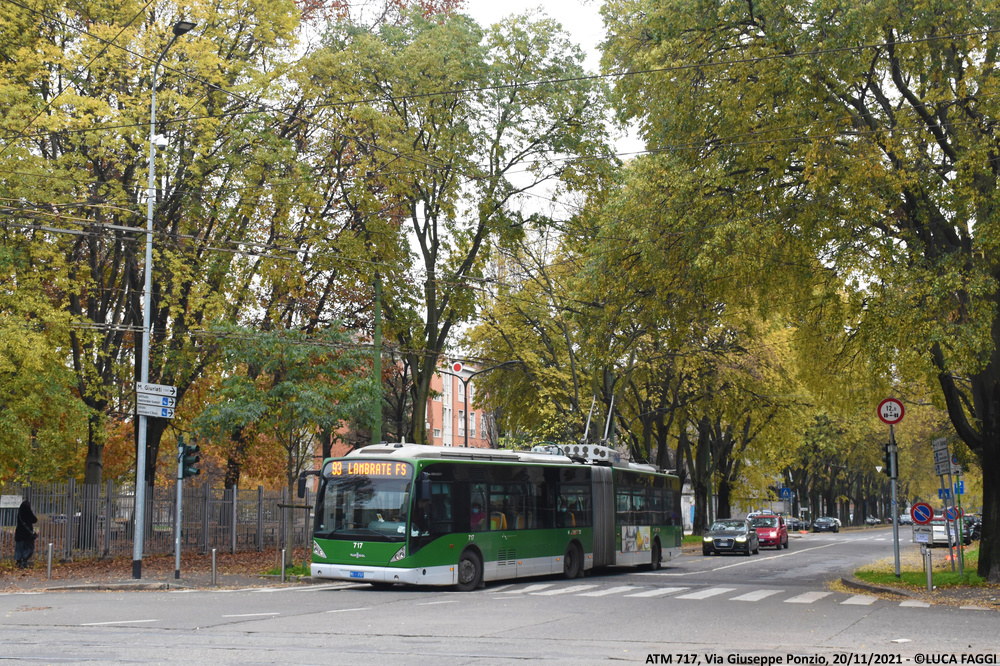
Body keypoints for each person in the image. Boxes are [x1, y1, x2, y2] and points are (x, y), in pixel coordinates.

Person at [15, 499, 38, 569]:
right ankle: (24, 562)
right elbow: (35, 520)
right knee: (29, 548)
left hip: (19, 533)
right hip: (27, 534)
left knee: (19, 549)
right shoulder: (28, 513)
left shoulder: (20, 513)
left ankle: (19, 562)